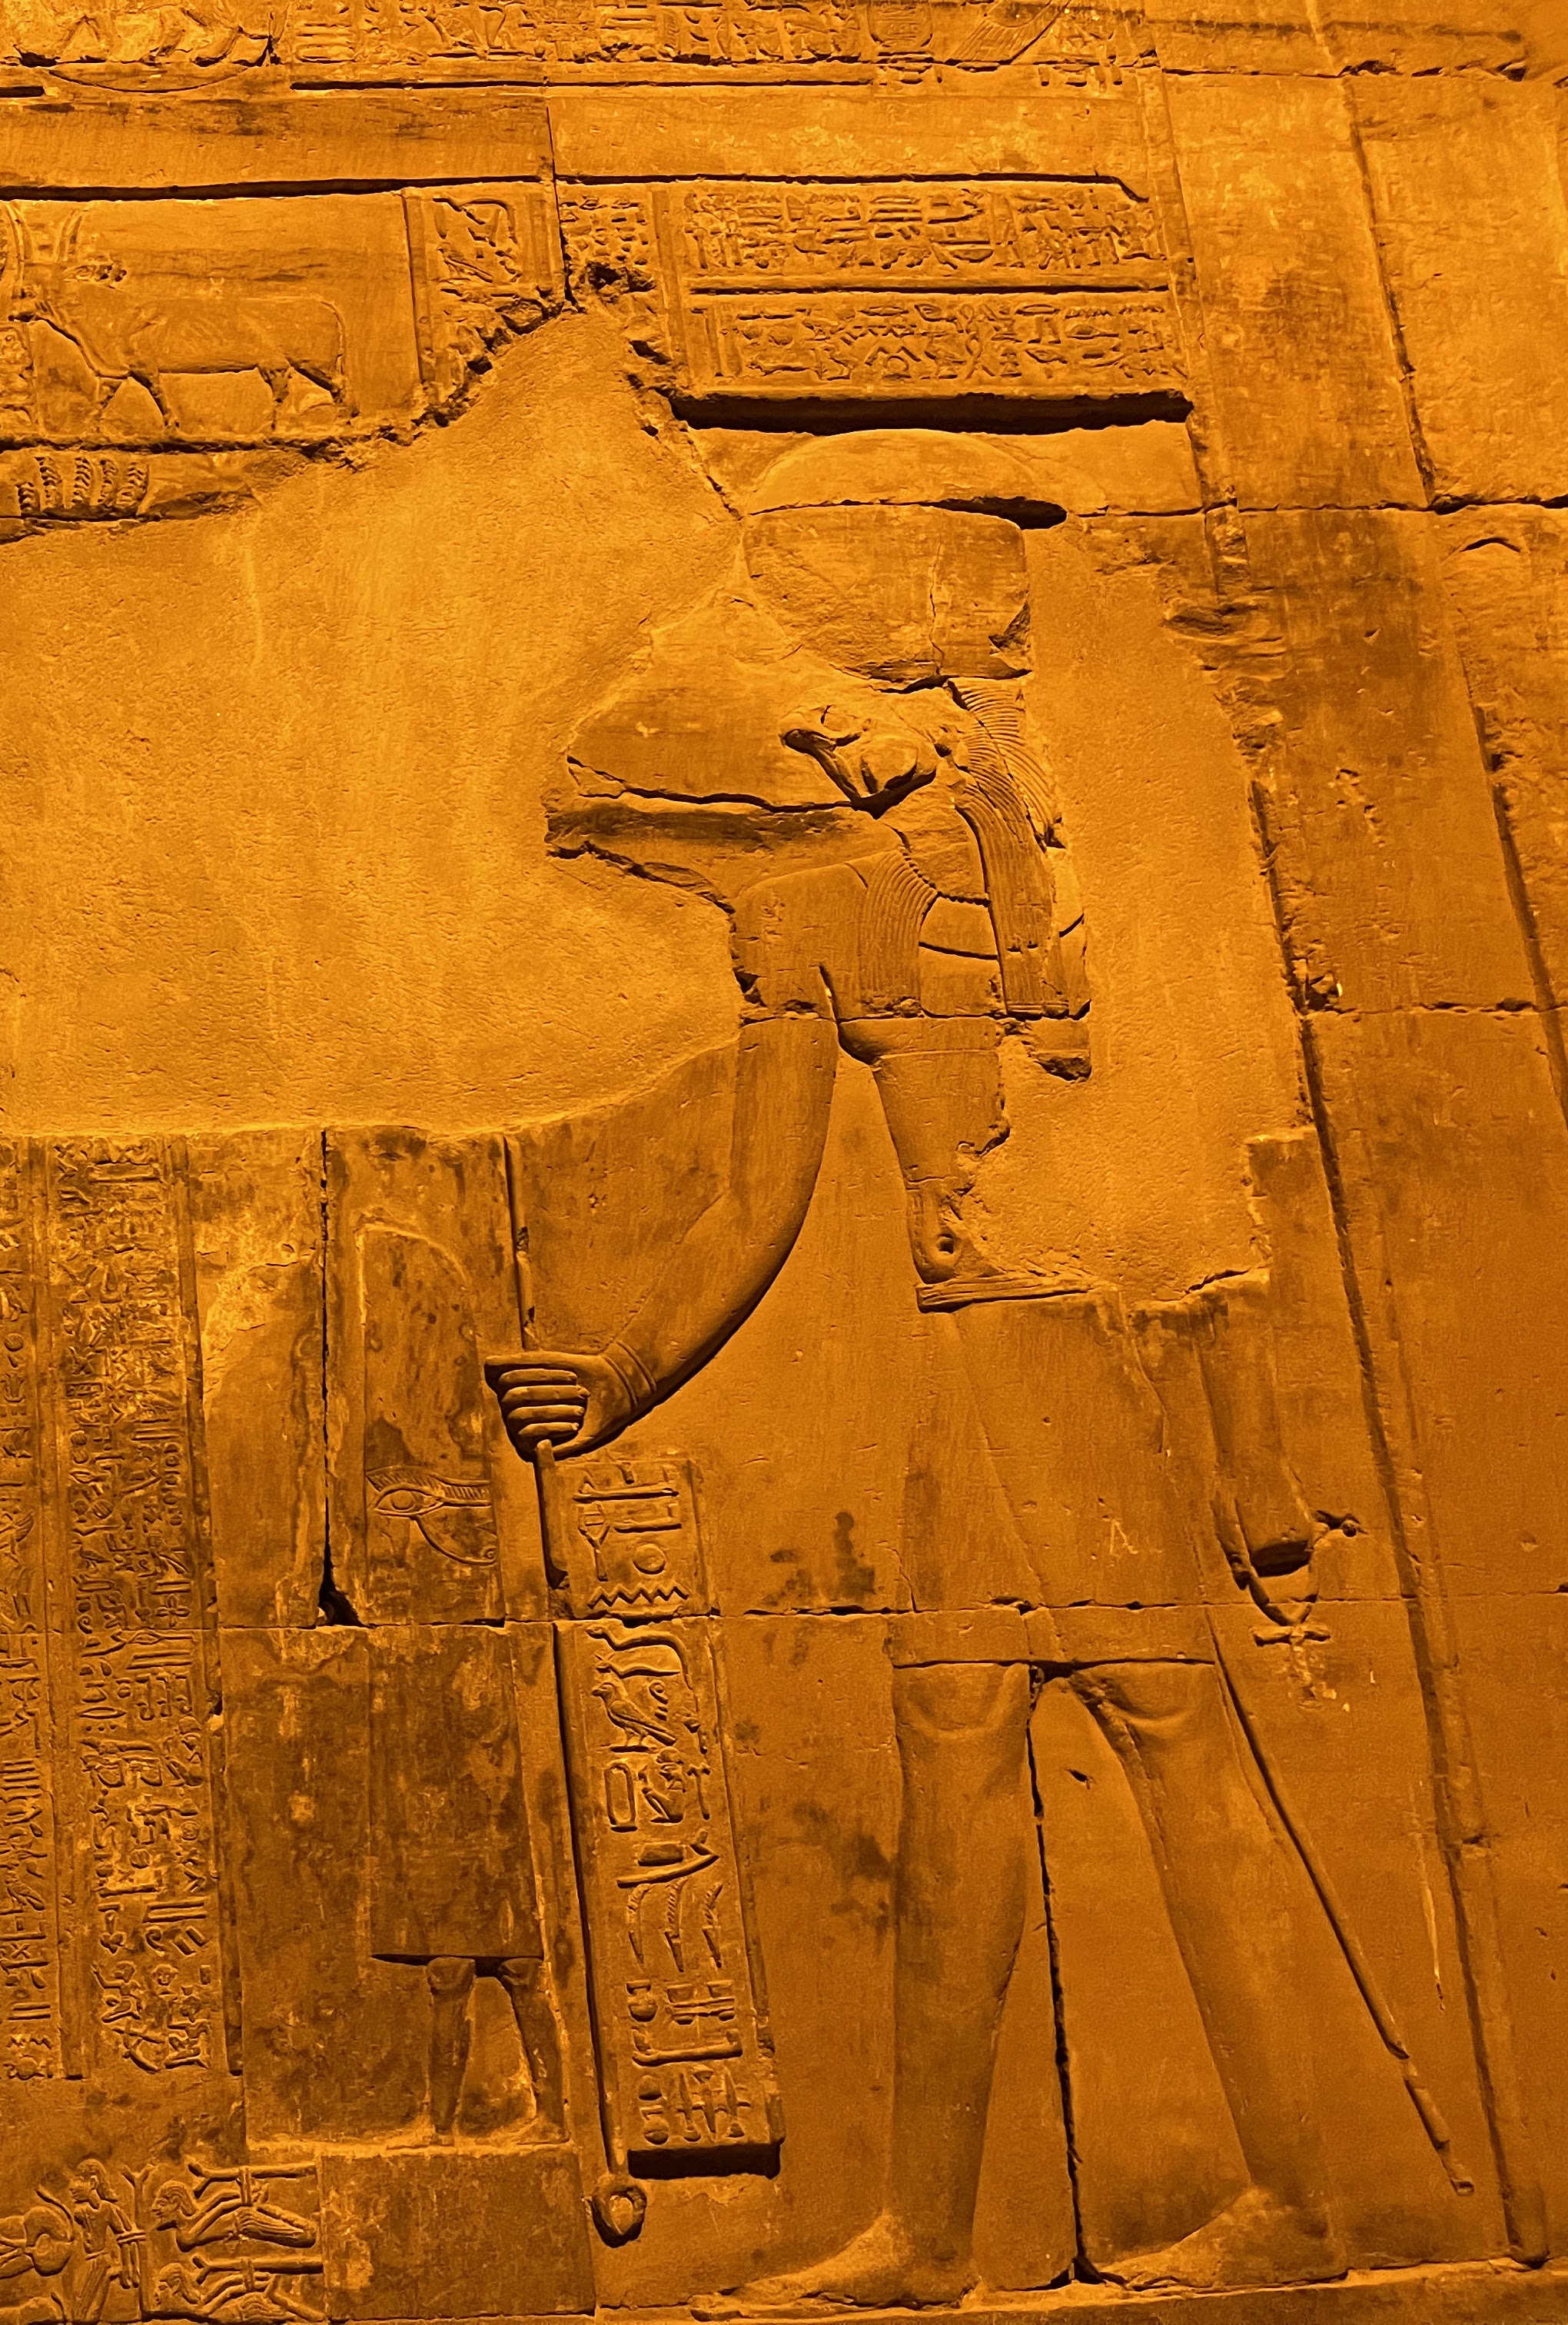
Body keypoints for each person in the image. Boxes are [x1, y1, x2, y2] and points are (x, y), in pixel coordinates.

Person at [490, 434, 1340, 2308]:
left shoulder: (850, 894)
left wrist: (618, 1369)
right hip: (1051, 1345)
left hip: (1041, 1348)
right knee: (984, 1761)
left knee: (1135, 1736)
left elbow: (758, 1197)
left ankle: (1269, 2200)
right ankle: (942, 2232)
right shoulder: (1032, 837)